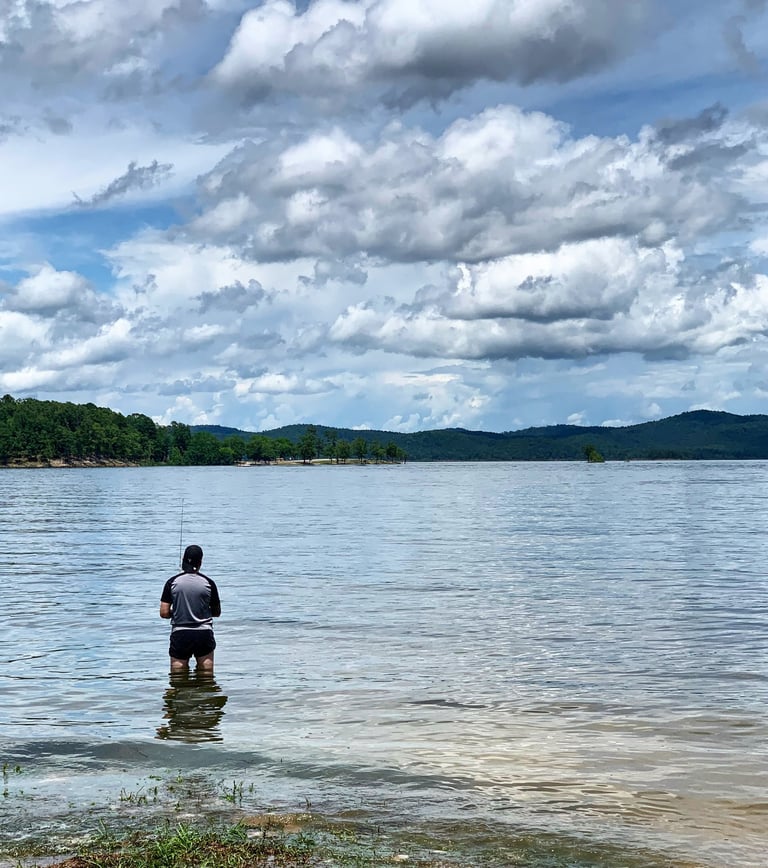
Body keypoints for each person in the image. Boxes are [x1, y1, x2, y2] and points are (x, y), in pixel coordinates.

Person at [160, 544, 221, 671]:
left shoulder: (172, 582)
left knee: (178, 676)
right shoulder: (209, 583)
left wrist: (179, 612)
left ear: (183, 561)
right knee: (207, 676)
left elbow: (164, 613)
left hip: (180, 633)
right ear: (200, 562)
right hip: (204, 633)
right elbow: (216, 612)